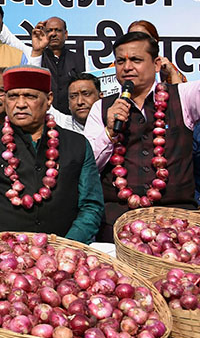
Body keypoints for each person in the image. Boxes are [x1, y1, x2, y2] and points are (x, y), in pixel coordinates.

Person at [0, 66, 104, 244]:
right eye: (12, 96)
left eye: (30, 96)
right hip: (0, 256)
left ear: (49, 99)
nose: (20, 104)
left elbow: (91, 206)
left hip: (64, 255)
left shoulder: (78, 145)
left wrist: (67, 248)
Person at [85, 31, 200, 241]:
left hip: (179, 224)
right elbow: (88, 166)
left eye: (136, 59)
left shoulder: (183, 95)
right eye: (121, 61)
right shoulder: (101, 107)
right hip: (116, 224)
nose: (127, 67)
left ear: (156, 64)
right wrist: (109, 133)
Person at [128, 20, 186, 84]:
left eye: (142, 37)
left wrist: (172, 73)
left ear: (154, 41)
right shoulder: (119, 67)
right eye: (131, 37)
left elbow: (182, 92)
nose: (136, 41)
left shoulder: (166, 67)